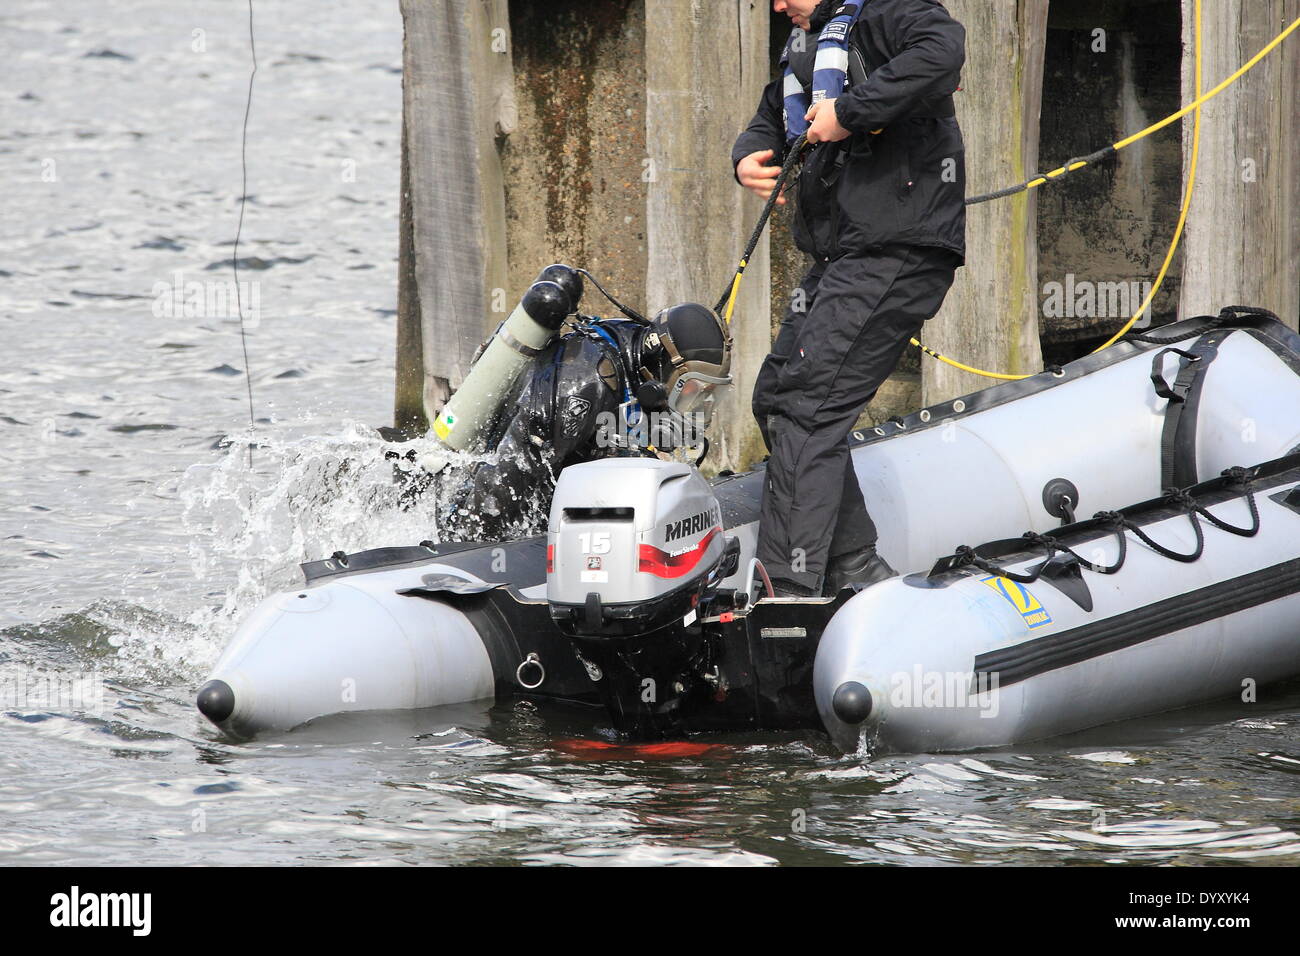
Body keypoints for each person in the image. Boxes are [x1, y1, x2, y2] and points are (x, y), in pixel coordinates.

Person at [733, 0, 966, 596]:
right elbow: (771, 110)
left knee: (810, 406)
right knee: (776, 397)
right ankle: (854, 564)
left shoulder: (890, 12)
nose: (779, 5)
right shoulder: (808, 45)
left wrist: (849, 112)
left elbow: (943, 52)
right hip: (844, 257)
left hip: (898, 250)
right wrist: (747, 154)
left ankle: (790, 587)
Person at [437, 302, 731, 541]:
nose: (697, 406)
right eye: (692, 391)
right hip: (477, 497)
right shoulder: (582, 388)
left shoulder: (641, 365)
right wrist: (469, 547)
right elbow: (504, 484)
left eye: (708, 395)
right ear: (663, 363)